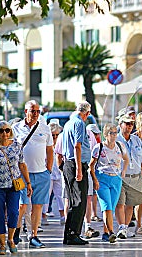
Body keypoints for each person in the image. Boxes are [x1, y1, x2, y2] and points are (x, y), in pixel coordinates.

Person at [0, 121, 33, 255]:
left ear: (11, 131)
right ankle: (3, 244)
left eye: (7, 130)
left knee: (14, 213)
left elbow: (22, 165)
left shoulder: (17, 146)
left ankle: (10, 239)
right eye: (1, 131)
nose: (5, 133)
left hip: (13, 186)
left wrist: (28, 183)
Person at [12, 100, 53, 248]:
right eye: (32, 111)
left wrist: (48, 168)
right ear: (25, 112)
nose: (35, 114)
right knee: (22, 205)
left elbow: (50, 149)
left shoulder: (45, 128)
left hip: (41, 173)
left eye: (37, 111)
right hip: (22, 174)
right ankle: (16, 230)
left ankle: (33, 235)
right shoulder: (16, 128)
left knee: (37, 206)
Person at [89, 123, 129, 243]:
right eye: (111, 133)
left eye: (115, 133)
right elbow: (91, 166)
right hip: (102, 179)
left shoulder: (120, 146)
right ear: (105, 135)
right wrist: (95, 180)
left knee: (111, 207)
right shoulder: (99, 147)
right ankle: (111, 232)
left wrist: (123, 172)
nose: (114, 135)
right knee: (106, 207)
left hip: (116, 179)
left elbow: (126, 159)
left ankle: (106, 233)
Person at [61, 101, 92, 245]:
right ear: (87, 113)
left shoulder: (69, 123)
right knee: (80, 201)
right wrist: (79, 169)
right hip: (76, 164)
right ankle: (73, 234)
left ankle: (69, 234)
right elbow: (77, 146)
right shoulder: (79, 123)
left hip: (69, 164)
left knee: (74, 201)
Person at [115, 114, 142, 239]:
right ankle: (121, 227)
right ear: (120, 124)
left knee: (131, 204)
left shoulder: (137, 140)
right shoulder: (115, 139)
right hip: (120, 177)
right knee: (120, 203)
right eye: (127, 123)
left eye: (132, 124)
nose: (130, 126)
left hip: (135, 176)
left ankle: (126, 227)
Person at [41, 122, 65, 226]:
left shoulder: (62, 144)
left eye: (56, 135)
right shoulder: (46, 145)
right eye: (53, 135)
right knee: (46, 195)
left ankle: (63, 216)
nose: (55, 137)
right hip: (48, 173)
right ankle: (43, 216)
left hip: (59, 174)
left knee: (61, 196)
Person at [87, 124, 103, 222]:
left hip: (96, 169)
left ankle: (94, 213)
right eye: (95, 133)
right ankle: (90, 215)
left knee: (95, 193)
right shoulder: (89, 141)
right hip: (89, 169)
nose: (96, 135)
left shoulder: (98, 142)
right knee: (89, 194)